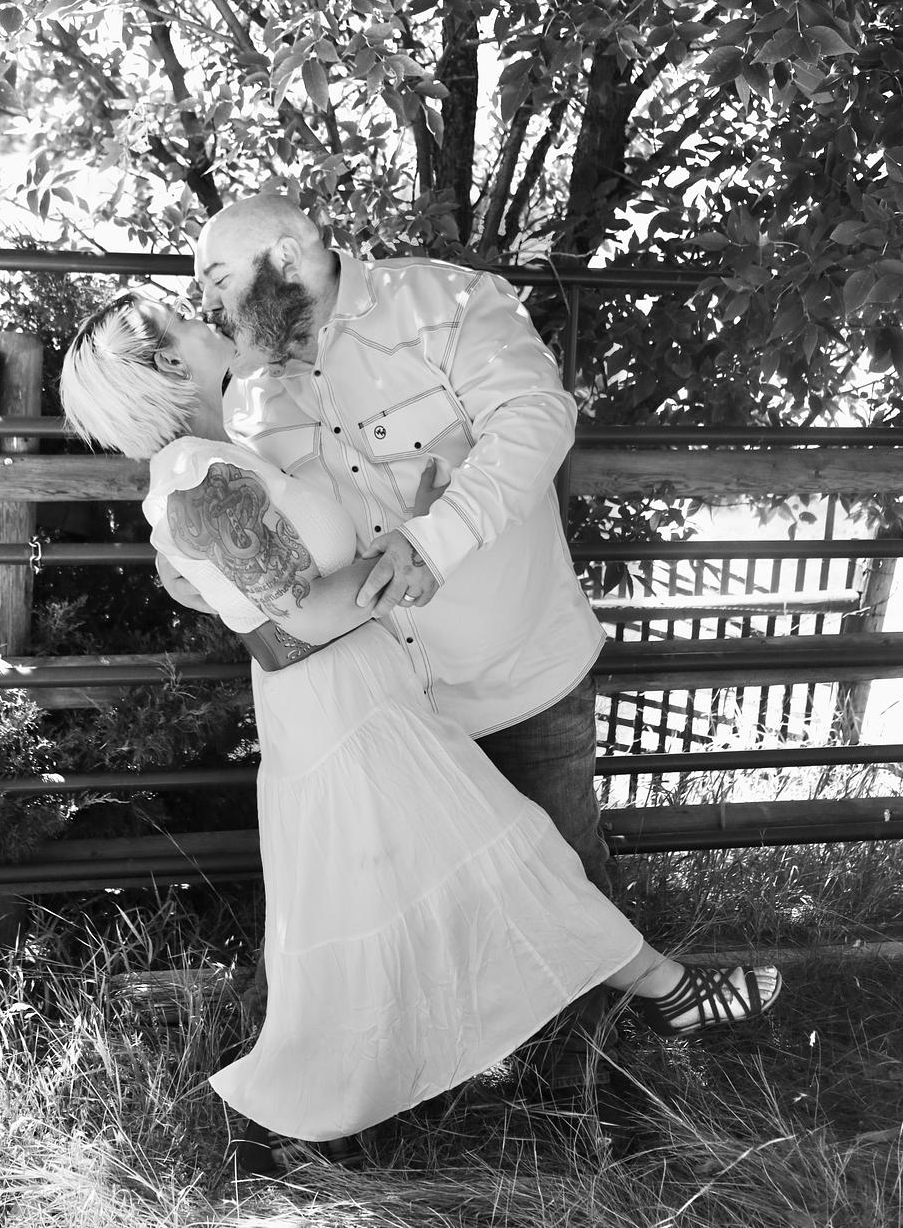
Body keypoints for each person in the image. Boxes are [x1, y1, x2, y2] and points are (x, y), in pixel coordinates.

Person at [60, 293, 783, 1168]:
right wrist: (415, 551)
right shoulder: (193, 476)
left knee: (446, 884)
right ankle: (667, 994)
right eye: (183, 316)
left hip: (362, 696)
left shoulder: (223, 452)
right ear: (171, 363)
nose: (207, 313)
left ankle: (323, 1132)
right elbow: (304, 618)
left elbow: (277, 593)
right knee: (504, 858)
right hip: (340, 714)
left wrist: (414, 527)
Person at [161, 193, 623, 1132]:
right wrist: (193, 568)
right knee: (437, 902)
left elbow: (537, 418)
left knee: (564, 871)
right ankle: (455, 1110)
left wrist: (433, 540)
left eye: (217, 277)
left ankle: (591, 1108)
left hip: (515, 663)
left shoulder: (445, 302)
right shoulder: (245, 400)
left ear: (283, 254)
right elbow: (256, 551)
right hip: (394, 705)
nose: (208, 303)